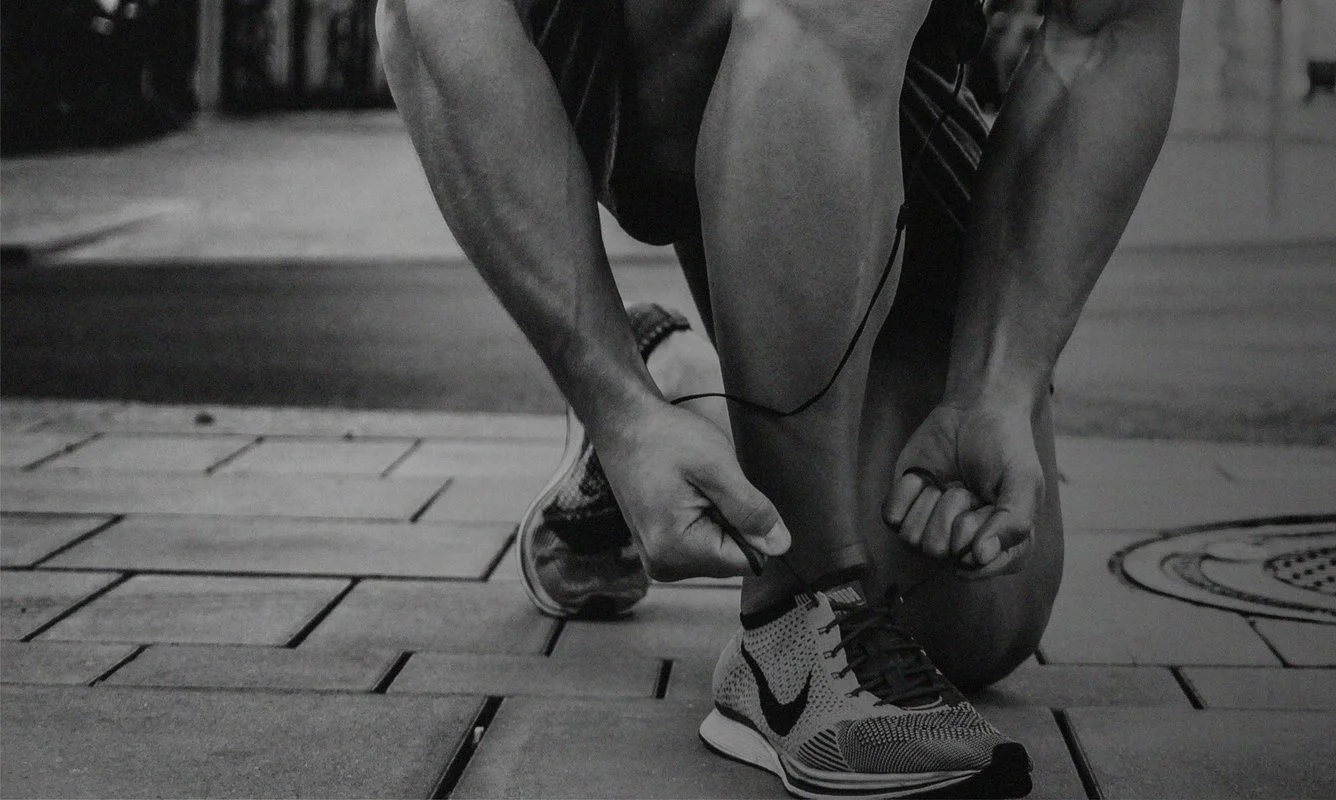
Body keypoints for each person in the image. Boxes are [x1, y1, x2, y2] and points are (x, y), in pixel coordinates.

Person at [377, 0, 1177, 795]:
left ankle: (690, 394)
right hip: (625, 54)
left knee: (972, 618)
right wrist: (613, 403)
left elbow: (1110, 30)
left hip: (880, 90)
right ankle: (797, 613)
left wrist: (996, 382)